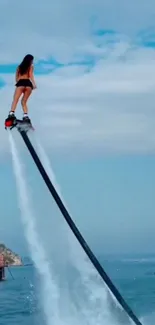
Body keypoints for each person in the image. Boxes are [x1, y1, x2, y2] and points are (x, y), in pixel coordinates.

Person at [8, 54, 37, 122]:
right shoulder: (30, 66)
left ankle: (12, 113)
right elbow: (31, 75)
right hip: (28, 84)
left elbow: (17, 78)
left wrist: (19, 82)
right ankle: (25, 115)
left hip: (21, 83)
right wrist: (34, 84)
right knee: (24, 101)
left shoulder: (19, 67)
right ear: (30, 60)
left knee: (15, 99)